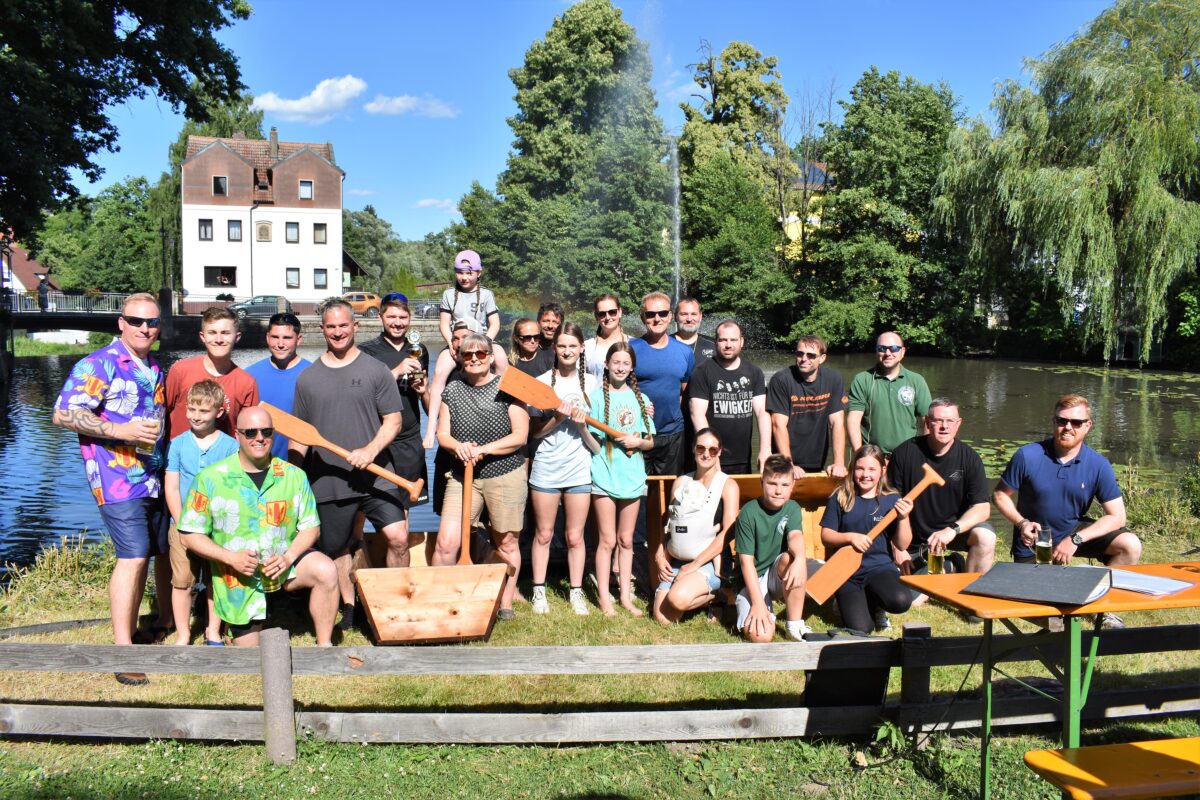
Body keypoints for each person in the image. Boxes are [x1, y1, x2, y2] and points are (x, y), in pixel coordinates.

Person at [53, 292, 170, 684]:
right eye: (136, 321)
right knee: (133, 555)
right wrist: (120, 430)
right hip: (114, 476)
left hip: (149, 473)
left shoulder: (153, 366)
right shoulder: (98, 363)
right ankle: (122, 652)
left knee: (145, 555)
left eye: (151, 322)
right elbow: (62, 413)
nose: (144, 328)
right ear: (121, 322)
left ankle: (133, 631)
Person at [179, 407, 339, 647]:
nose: (259, 438)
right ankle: (232, 632)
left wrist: (289, 556)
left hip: (284, 566)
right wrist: (230, 558)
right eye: (251, 432)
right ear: (237, 435)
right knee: (251, 658)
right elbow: (190, 534)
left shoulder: (294, 476)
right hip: (238, 576)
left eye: (266, 431)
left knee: (326, 570)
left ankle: (324, 648)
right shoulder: (211, 478)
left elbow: (311, 527)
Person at [290, 299, 405, 632]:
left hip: (376, 474)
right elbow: (300, 435)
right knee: (337, 548)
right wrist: (294, 473)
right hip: (328, 478)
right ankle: (350, 607)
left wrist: (370, 450)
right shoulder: (308, 379)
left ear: (355, 326)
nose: (337, 332)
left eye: (343, 325)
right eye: (331, 326)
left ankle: (395, 605)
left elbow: (393, 421)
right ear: (322, 329)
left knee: (398, 538)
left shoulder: (375, 370)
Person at [993, 394, 1140, 628]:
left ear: (1088, 426)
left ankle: (1102, 607)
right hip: (1034, 541)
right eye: (1062, 421)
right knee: (1055, 620)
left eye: (1076, 423)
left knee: (1130, 545)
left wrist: (1076, 539)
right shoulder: (1028, 455)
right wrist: (1021, 523)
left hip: (1072, 531)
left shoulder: (1098, 464)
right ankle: (1062, 604)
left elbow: (1117, 516)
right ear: (1053, 422)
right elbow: (1000, 495)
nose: (1068, 427)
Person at [433, 333, 530, 619]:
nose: (474, 359)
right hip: (464, 476)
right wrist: (459, 447)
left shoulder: (509, 387)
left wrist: (485, 450)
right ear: (460, 358)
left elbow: (520, 436)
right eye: (467, 354)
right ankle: (442, 601)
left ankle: (505, 604)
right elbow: (443, 435)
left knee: (507, 542)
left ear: (491, 356)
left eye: (481, 354)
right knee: (445, 543)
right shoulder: (452, 390)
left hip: (506, 473)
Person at [580, 342, 655, 617]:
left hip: (633, 478)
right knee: (607, 540)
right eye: (616, 362)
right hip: (604, 476)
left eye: (626, 363)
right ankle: (604, 598)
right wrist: (581, 426)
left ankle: (624, 596)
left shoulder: (643, 401)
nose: (621, 367)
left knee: (626, 540)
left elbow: (650, 442)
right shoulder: (596, 398)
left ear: (631, 367)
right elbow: (594, 445)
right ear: (607, 364)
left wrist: (638, 440)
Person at [887, 398, 995, 585]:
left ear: (958, 424)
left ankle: (972, 592)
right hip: (911, 537)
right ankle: (950, 565)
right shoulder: (905, 453)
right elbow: (887, 502)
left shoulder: (969, 458)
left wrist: (952, 530)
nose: (944, 427)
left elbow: (983, 508)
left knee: (986, 536)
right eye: (938, 421)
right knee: (899, 588)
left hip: (952, 534)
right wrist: (895, 546)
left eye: (950, 421)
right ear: (928, 423)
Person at [163, 380, 239, 645]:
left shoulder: (230, 446)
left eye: (204, 411)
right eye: (192, 409)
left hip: (218, 526)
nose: (196, 416)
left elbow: (234, 487)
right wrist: (182, 523)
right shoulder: (178, 444)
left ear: (218, 412)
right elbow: (171, 487)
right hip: (183, 523)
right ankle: (183, 634)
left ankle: (213, 631)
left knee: (217, 579)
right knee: (182, 580)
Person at [528, 322, 595, 615]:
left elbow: (597, 443)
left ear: (581, 349)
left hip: (580, 468)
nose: (567, 351)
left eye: (573, 346)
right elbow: (534, 433)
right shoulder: (541, 382)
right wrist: (556, 418)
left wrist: (581, 427)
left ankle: (576, 591)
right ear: (554, 349)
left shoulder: (593, 384)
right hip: (546, 468)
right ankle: (538, 590)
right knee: (543, 534)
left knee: (574, 536)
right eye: (562, 346)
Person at [359, 293, 432, 550]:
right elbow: (362, 394)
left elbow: (426, 399)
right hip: (377, 440)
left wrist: (424, 390)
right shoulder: (366, 352)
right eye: (392, 316)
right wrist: (396, 372)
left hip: (409, 441)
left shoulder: (419, 349)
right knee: (370, 506)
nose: (398, 322)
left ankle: (403, 577)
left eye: (403, 317)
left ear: (410, 318)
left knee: (405, 510)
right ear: (381, 317)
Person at [821, 445, 914, 634]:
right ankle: (844, 602)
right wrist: (850, 537)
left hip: (879, 567)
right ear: (853, 468)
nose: (865, 475)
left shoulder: (892, 500)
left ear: (883, 470)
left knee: (901, 601)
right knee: (862, 629)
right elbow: (826, 536)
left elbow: (902, 544)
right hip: (846, 573)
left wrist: (904, 518)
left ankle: (877, 602)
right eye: (860, 468)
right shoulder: (841, 497)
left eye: (872, 469)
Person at [653, 428, 739, 624]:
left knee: (677, 599)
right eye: (701, 448)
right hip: (676, 559)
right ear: (693, 449)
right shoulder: (680, 482)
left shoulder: (728, 485)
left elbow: (729, 531)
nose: (706, 454)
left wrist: (695, 564)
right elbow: (668, 522)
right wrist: (659, 553)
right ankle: (694, 593)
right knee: (663, 618)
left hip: (709, 561)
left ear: (719, 452)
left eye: (712, 450)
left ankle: (718, 596)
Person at [732, 455, 812, 642]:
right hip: (752, 578)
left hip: (776, 573)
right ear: (762, 482)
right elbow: (746, 562)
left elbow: (795, 536)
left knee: (793, 559)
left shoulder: (791, 507)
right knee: (761, 637)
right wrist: (758, 603)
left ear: (792, 485)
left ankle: (794, 625)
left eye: (785, 485)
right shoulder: (748, 512)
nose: (778, 491)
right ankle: (762, 609)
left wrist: (800, 559)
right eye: (772, 484)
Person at [165, 306, 259, 441]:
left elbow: (247, 432)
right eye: (212, 332)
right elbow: (159, 413)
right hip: (178, 458)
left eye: (226, 333)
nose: (219, 339)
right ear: (202, 337)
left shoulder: (247, 383)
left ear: (237, 337)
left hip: (224, 459)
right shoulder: (180, 371)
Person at [687, 320, 770, 475]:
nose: (728, 344)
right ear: (715, 342)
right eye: (723, 340)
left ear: (742, 342)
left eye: (733, 340)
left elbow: (762, 412)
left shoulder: (754, 372)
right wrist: (711, 452)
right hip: (709, 457)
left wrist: (765, 449)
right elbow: (697, 414)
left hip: (743, 457)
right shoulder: (702, 372)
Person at [767, 334, 848, 479]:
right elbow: (778, 425)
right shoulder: (781, 380)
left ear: (822, 358)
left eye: (811, 355)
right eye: (800, 353)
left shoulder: (833, 379)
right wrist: (789, 464)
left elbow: (837, 422)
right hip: (784, 460)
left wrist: (839, 463)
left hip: (816, 458)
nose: (804, 359)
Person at [630, 291, 693, 476]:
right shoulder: (631, 349)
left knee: (669, 492)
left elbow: (685, 393)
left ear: (671, 316)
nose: (657, 319)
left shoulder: (684, 352)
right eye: (650, 314)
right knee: (638, 494)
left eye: (662, 313)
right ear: (643, 318)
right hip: (638, 433)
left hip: (672, 434)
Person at [847, 332, 932, 455]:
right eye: (882, 348)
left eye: (894, 348)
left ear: (902, 352)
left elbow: (927, 421)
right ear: (876, 352)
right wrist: (860, 455)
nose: (888, 353)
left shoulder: (917, 381)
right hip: (873, 458)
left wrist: (923, 454)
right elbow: (853, 420)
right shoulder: (862, 379)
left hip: (907, 456)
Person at [244, 312, 310, 459]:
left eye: (287, 338)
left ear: (298, 340)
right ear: (267, 338)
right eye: (275, 337)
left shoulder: (312, 375)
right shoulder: (249, 375)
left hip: (300, 468)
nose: (280, 344)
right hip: (259, 464)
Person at [438, 249, 500, 344]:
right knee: (443, 359)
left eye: (469, 273)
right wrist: (451, 344)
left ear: (479, 273)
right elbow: (444, 324)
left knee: (500, 356)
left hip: (482, 340)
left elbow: (495, 324)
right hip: (458, 342)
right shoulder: (448, 294)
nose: (464, 277)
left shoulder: (487, 294)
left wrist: (486, 342)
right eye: (460, 272)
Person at [583, 293, 627, 382]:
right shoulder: (587, 347)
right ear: (596, 316)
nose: (607, 317)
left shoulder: (634, 344)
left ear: (620, 312)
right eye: (602, 314)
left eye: (612, 312)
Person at [673, 297, 715, 363]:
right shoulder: (663, 344)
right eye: (684, 314)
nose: (689, 319)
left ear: (700, 316)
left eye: (693, 314)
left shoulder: (714, 345)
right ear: (675, 317)